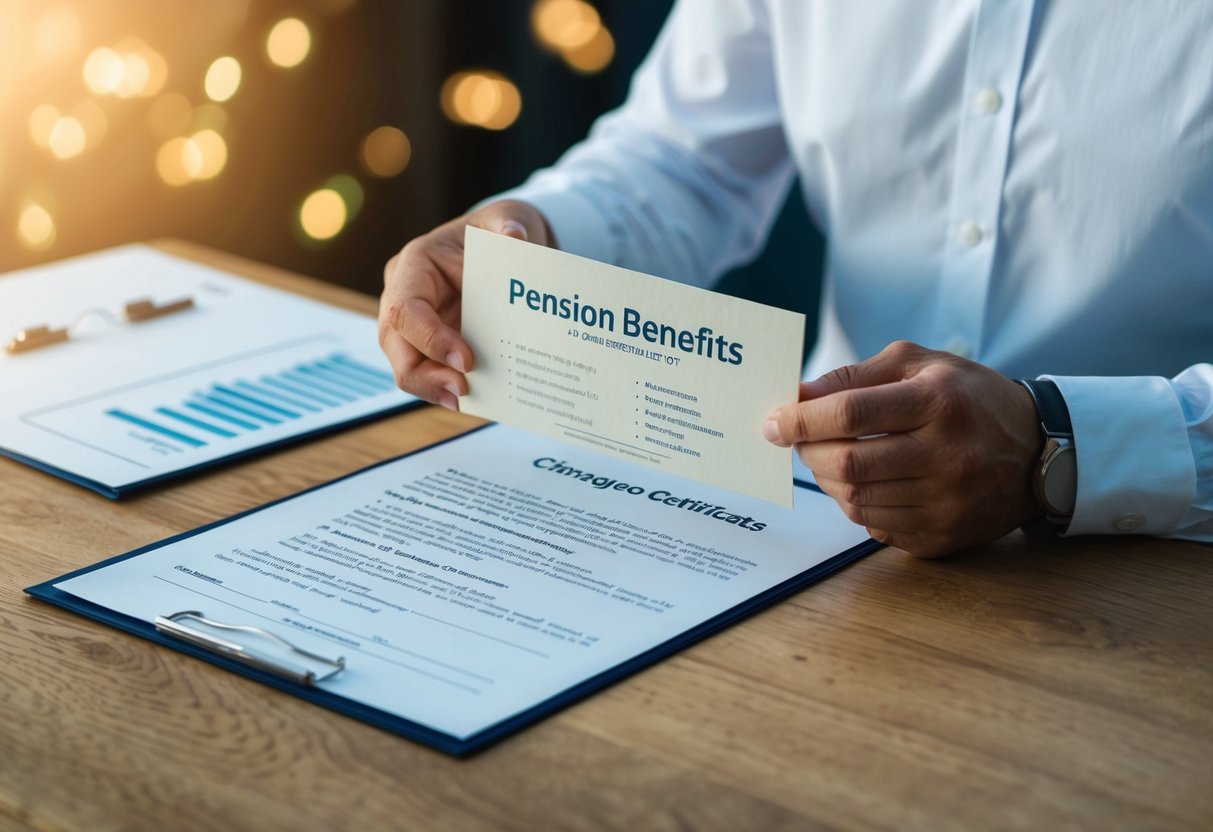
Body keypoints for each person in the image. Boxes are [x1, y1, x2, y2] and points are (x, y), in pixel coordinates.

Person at [379, 0, 1212, 557]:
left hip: (1160, 583)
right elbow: (683, 159)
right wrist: (525, 238)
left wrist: (1064, 449)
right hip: (824, 530)